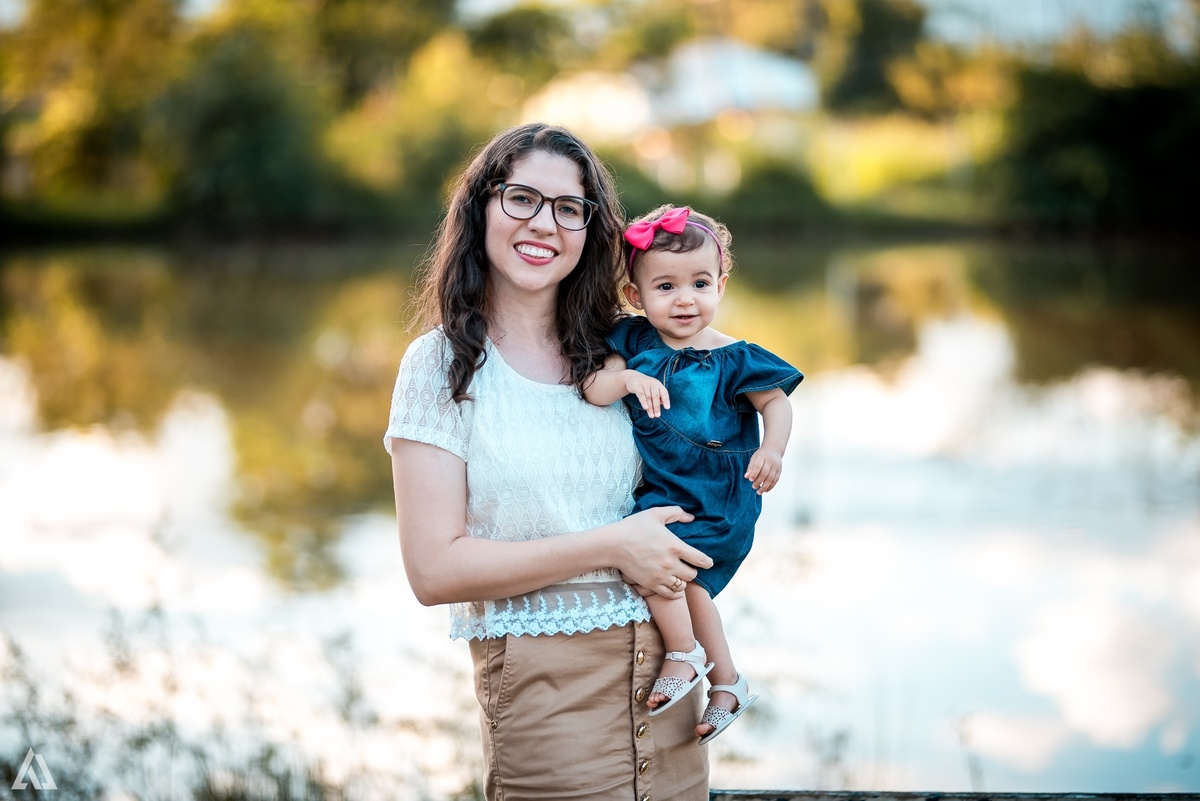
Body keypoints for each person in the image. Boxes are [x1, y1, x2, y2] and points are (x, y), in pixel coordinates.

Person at [384, 124, 715, 801]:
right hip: (546, 694)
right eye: (522, 198)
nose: (544, 223)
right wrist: (613, 545)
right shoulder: (440, 365)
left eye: (569, 208)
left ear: (592, 230)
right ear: (481, 206)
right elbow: (433, 570)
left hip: (671, 679)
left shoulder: (627, 350)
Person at [583, 204, 803, 744]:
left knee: (654, 568)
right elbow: (594, 389)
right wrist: (628, 380)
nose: (685, 299)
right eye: (666, 287)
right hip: (668, 490)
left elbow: (776, 405)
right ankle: (727, 683)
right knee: (688, 586)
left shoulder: (737, 358)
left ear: (721, 285)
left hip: (722, 495)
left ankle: (683, 654)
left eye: (700, 284)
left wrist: (772, 450)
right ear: (636, 295)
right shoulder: (632, 342)